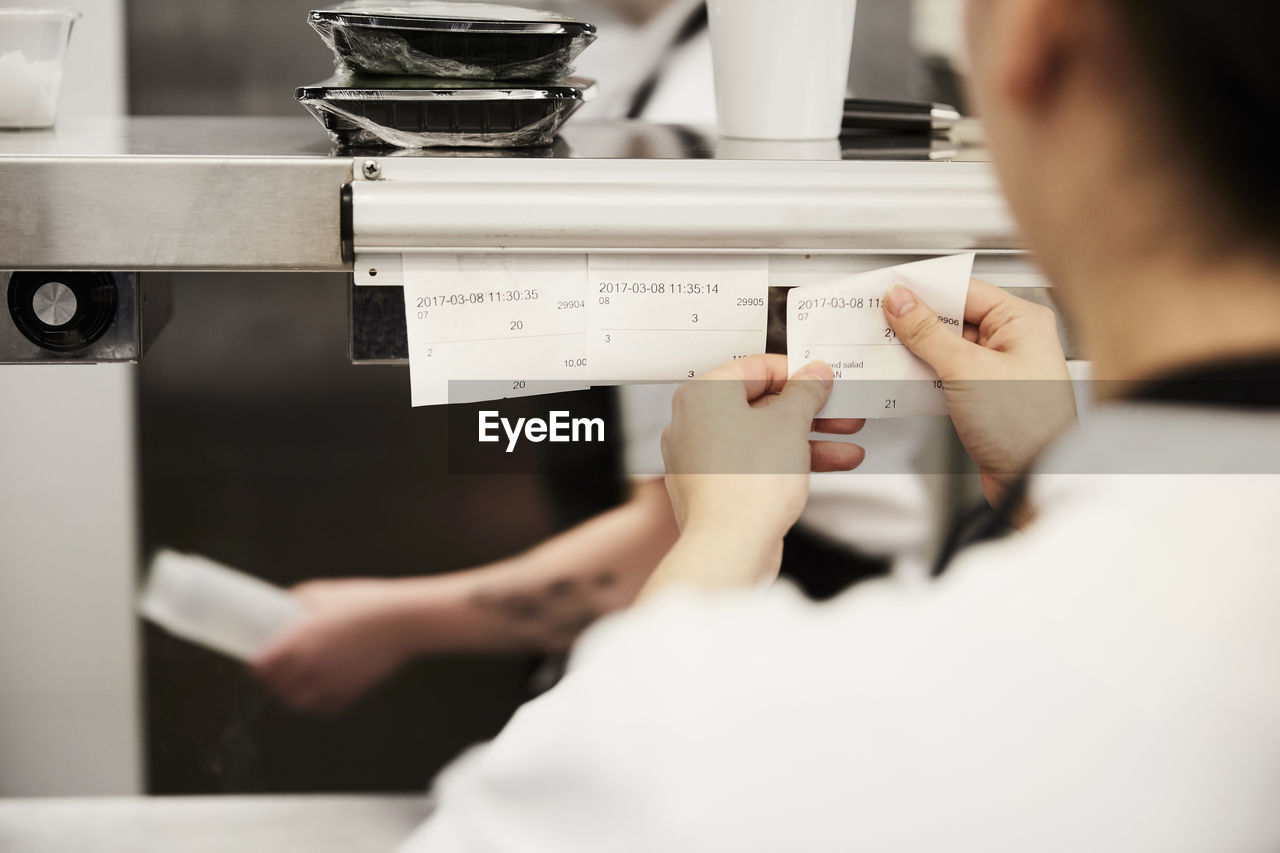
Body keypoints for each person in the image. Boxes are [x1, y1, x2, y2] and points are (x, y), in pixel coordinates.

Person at [398, 0, 1280, 849]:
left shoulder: (803, 739)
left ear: (1035, 31)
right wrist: (1043, 478)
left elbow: (579, 799)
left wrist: (725, 532)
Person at [255, 0, 935, 713]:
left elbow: (671, 533)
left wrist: (389, 625)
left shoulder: (712, 107)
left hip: (782, 644)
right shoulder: (655, 61)